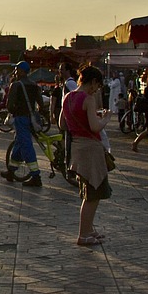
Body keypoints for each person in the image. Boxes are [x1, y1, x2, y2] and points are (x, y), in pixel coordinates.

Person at [59, 65, 112, 247]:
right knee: (92, 193)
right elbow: (95, 127)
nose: (97, 90)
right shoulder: (88, 99)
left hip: (77, 147)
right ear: (94, 81)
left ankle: (89, 229)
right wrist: (106, 118)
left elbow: (61, 123)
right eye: (97, 86)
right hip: (91, 148)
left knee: (88, 191)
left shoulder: (67, 97)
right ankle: (83, 234)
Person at [0, 62, 46, 187]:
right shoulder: (34, 85)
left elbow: (9, 105)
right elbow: (41, 104)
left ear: (20, 71)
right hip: (31, 119)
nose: (14, 72)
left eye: (16, 70)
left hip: (20, 118)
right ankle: (11, 171)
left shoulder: (16, 85)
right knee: (19, 143)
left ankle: (36, 175)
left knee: (26, 145)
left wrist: (13, 113)